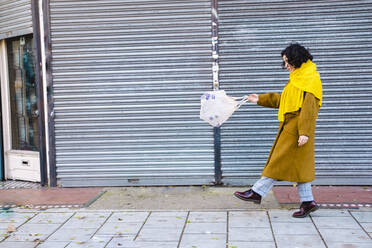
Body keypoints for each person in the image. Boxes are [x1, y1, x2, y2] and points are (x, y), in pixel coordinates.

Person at [234, 43, 323, 218]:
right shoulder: (298, 78)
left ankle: (257, 192)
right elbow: (284, 99)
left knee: (277, 161)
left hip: (297, 128)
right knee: (300, 168)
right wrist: (259, 98)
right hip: (291, 126)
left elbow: (309, 109)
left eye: (288, 62)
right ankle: (308, 202)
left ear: (297, 60)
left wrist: (304, 132)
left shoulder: (309, 80)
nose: (286, 66)